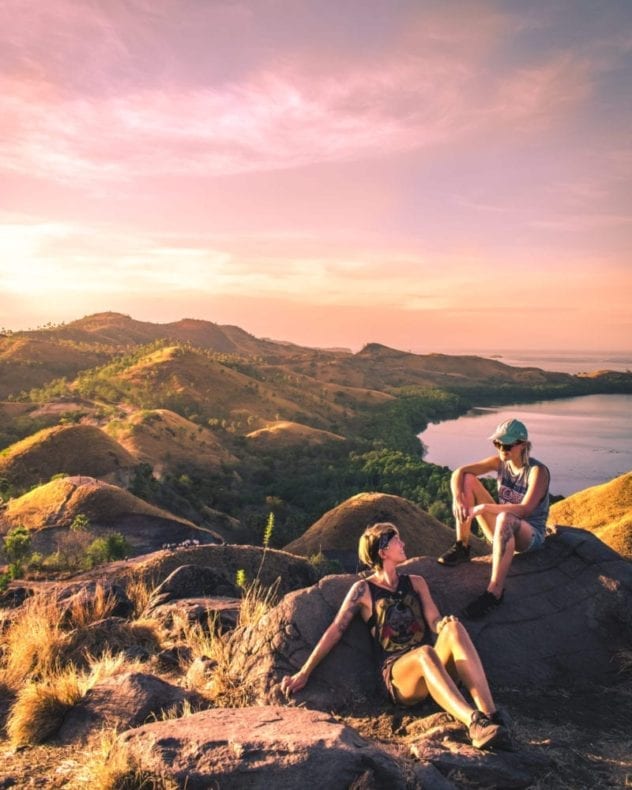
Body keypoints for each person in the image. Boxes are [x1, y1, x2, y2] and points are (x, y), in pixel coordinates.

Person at [281, 522, 511, 751]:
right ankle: (473, 722)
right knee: (424, 653)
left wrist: (444, 624)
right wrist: (304, 672)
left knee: (455, 629)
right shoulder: (363, 590)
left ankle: (491, 717)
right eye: (396, 541)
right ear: (382, 553)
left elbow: (433, 621)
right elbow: (335, 630)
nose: (403, 544)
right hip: (399, 677)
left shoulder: (416, 582)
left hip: (432, 667)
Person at [438, 418, 550, 619]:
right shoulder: (500, 463)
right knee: (468, 479)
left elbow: (525, 510)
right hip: (502, 527)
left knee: (506, 517)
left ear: (522, 445)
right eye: (497, 444)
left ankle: (494, 592)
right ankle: (462, 547)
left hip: (529, 534)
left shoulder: (537, 471)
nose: (501, 449)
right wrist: (457, 499)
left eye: (507, 445)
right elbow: (459, 472)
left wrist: (484, 507)